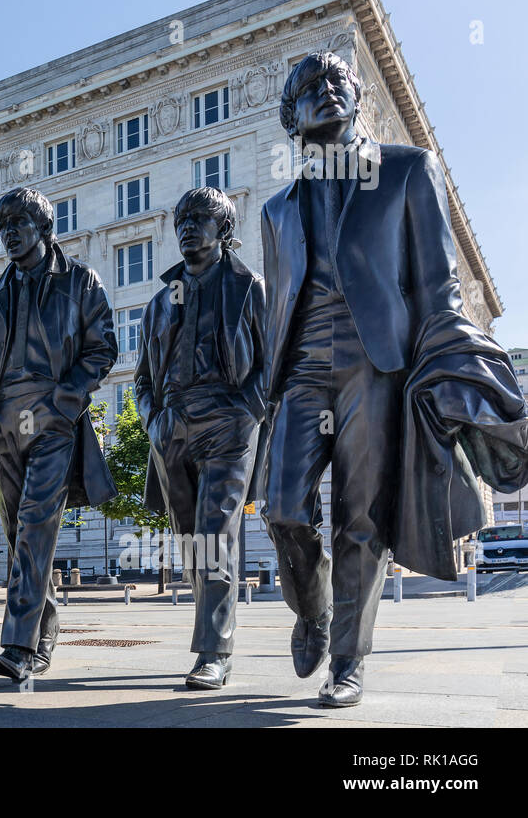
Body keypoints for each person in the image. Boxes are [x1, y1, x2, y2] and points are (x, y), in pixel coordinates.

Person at [258, 51, 528, 707]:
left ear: (356, 99)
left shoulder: (407, 170)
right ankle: (314, 610)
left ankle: (347, 659)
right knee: (282, 510)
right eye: (307, 89)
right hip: (300, 370)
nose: (324, 92)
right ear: (291, 118)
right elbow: (276, 304)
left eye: (336, 82)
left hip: (374, 361)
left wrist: (457, 366)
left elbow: (439, 282)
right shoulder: (276, 210)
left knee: (362, 516)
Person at [0, 187, 118, 683]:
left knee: (37, 524)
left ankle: (16, 644)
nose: (9, 233)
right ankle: (44, 630)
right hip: (4, 424)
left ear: (44, 228)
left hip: (53, 417)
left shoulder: (80, 281)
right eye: (3, 226)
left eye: (18, 223)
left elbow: (103, 349)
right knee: (20, 534)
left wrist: (65, 400)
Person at [134, 187, 266, 690]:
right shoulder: (159, 303)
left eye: (201, 218)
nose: (188, 226)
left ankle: (213, 650)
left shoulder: (248, 287)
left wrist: (244, 413)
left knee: (215, 534)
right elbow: (143, 379)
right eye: (182, 219)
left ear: (224, 230)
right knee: (192, 542)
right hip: (172, 430)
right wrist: (154, 422)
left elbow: (269, 365)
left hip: (227, 427)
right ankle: (212, 629)